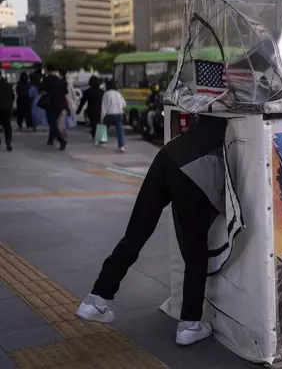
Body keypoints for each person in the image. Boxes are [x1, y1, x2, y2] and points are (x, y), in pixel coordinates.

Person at [76, 115, 228, 346]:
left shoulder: (210, 96)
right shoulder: (242, 101)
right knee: (195, 250)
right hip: (195, 168)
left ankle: (97, 298)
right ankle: (189, 324)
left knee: (137, 232)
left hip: (167, 156)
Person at [40, 65, 68, 150]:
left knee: (52, 124)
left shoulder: (46, 79)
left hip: (51, 104)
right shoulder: (61, 80)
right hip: (60, 105)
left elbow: (43, 92)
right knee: (54, 122)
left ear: (48, 71)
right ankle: (50, 139)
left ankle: (61, 140)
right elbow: (65, 93)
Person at [101, 80, 127, 152]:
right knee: (119, 130)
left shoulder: (106, 94)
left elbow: (104, 107)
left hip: (109, 115)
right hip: (119, 114)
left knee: (104, 127)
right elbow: (124, 105)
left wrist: (102, 117)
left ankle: (102, 142)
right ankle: (121, 146)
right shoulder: (118, 94)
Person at [77, 76, 104, 141]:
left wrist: (78, 110)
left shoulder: (88, 91)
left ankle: (95, 135)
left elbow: (82, 101)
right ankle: (98, 137)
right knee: (99, 123)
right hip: (100, 110)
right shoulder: (102, 92)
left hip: (91, 110)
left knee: (94, 123)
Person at [0, 76, 14, 152]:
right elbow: (12, 97)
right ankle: (8, 143)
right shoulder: (8, 85)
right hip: (6, 108)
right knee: (7, 127)